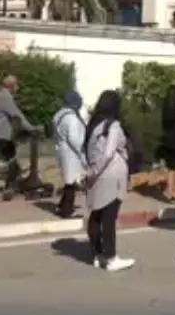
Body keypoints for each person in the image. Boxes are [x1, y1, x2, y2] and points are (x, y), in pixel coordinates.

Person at [82, 90, 135, 272]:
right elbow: (109, 152)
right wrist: (96, 170)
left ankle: (97, 254)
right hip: (111, 174)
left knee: (96, 214)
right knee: (109, 217)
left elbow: (88, 152)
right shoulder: (113, 125)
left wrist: (90, 172)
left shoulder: (93, 125)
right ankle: (111, 257)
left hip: (96, 175)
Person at [0, 74, 40, 189]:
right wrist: (31, 128)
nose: (17, 88)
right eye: (16, 85)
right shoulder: (4, 98)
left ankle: (10, 185)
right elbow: (17, 115)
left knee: (12, 160)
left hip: (1, 135)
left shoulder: (0, 96)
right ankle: (10, 188)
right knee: (11, 162)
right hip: (0, 136)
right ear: (11, 86)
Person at [53, 92, 86, 218]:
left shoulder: (58, 115)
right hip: (71, 153)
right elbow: (74, 138)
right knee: (71, 182)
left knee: (69, 181)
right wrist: (82, 150)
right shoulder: (71, 118)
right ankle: (67, 211)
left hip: (62, 150)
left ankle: (62, 206)